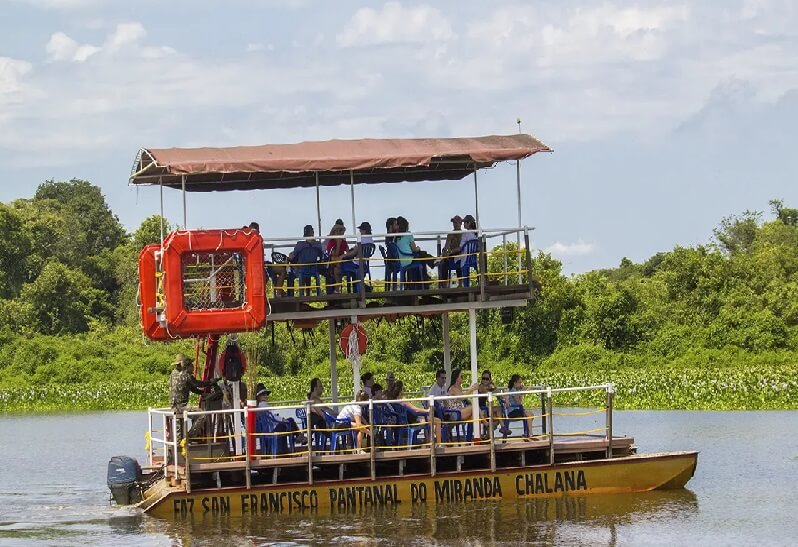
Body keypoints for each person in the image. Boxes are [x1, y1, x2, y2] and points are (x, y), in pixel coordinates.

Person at [169, 353, 218, 443]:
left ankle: (181, 442)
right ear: (184, 365)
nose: (191, 367)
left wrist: (202, 393)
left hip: (174, 406)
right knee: (202, 415)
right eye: (189, 365)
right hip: (181, 407)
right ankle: (190, 436)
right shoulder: (185, 375)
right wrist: (210, 382)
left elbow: (191, 388)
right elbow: (197, 384)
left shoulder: (173, 373)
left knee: (178, 431)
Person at [504, 374, 535, 438]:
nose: (521, 384)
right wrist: (522, 393)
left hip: (516, 410)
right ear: (515, 383)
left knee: (531, 414)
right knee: (529, 414)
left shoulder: (516, 390)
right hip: (512, 411)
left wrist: (521, 392)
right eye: (519, 382)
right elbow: (518, 402)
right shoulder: (513, 390)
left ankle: (527, 432)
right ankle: (530, 433)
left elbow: (519, 402)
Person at [438, 215, 463, 287]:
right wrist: (446, 253)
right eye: (454, 222)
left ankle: (460, 284)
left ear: (460, 223)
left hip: (460, 254)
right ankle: (444, 285)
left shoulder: (464, 235)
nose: (455, 224)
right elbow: (446, 247)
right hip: (451, 254)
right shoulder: (450, 234)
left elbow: (462, 247)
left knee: (459, 261)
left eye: (456, 222)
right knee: (444, 262)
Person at [325, 220, 349, 293]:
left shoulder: (344, 242)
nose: (340, 233)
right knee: (336, 265)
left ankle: (337, 289)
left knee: (337, 268)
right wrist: (338, 244)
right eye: (339, 231)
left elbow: (348, 251)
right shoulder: (331, 242)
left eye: (341, 231)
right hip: (331, 262)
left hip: (341, 262)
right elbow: (333, 255)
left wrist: (343, 255)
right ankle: (337, 289)